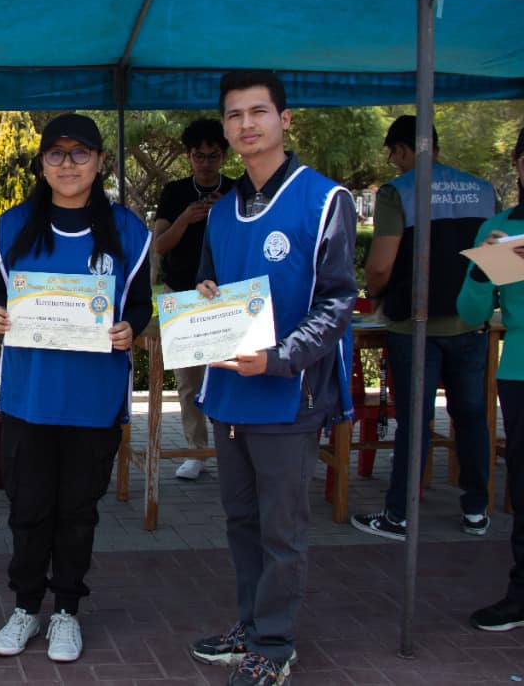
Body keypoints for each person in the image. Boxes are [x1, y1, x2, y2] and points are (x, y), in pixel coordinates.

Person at [189, 70, 356, 686]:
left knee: (282, 528)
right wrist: (203, 295)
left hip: (290, 390)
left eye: (258, 112)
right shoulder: (222, 210)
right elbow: (209, 283)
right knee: (241, 521)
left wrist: (282, 356)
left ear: (285, 120)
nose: (245, 125)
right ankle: (251, 623)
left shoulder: (325, 199)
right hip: (231, 390)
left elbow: (339, 302)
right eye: (234, 115)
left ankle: (275, 644)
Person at [0, 114, 152, 662]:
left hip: (93, 398)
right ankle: (25, 606)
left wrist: (133, 328)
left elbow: (141, 304)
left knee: (78, 511)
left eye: (80, 154)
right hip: (29, 396)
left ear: (101, 162)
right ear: (41, 163)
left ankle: (66, 612)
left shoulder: (129, 231)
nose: (68, 165)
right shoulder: (12, 226)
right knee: (28, 507)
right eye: (55, 154)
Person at [351, 115, 497, 542]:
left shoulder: (400, 192)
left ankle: (398, 515)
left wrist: (376, 294)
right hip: (471, 324)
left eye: (394, 155)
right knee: (471, 419)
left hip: (414, 326)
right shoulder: (483, 189)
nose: (395, 164)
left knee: (413, 422)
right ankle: (476, 510)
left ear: (401, 150)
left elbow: (379, 265)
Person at [460, 126, 524, 632]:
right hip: (520, 369)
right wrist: (486, 270)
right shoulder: (500, 228)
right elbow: (470, 310)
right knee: (522, 486)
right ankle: (520, 592)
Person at [153, 118, 235, 480]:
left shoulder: (236, 191)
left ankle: (233, 449)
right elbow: (159, 245)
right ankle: (196, 451)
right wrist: (186, 218)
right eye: (199, 156)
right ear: (188, 156)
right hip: (182, 294)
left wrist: (225, 216)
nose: (205, 163)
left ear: (224, 156)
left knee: (230, 375)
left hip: (226, 296)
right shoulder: (173, 192)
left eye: (213, 156)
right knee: (189, 382)